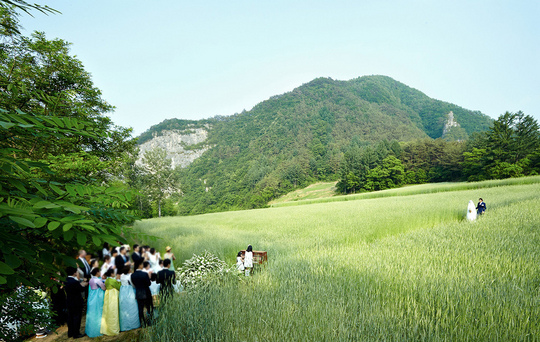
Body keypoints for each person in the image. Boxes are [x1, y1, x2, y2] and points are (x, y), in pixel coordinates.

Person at [64, 266, 88, 339]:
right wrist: (84, 285)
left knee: (70, 317)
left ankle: (70, 332)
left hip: (69, 301)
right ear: (74, 272)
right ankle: (76, 333)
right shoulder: (74, 282)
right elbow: (81, 289)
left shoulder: (66, 280)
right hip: (76, 301)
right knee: (77, 317)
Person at [131, 261, 153, 327]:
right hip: (146, 292)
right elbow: (149, 283)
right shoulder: (145, 274)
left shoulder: (132, 275)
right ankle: (149, 322)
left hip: (138, 293)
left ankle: (142, 323)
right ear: (140, 265)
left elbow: (133, 284)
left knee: (140, 309)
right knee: (149, 308)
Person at [85, 268, 105, 338]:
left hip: (91, 296)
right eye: (99, 271)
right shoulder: (98, 280)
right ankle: (98, 330)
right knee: (98, 312)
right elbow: (103, 288)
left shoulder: (91, 280)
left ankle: (90, 330)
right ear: (97, 272)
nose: (100, 273)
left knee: (92, 312)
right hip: (97, 297)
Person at [100, 269, 121, 336]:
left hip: (108, 297)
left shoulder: (107, 280)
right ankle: (114, 329)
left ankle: (107, 328)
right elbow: (119, 287)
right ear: (112, 274)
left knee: (108, 312)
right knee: (114, 312)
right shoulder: (113, 280)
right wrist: (119, 281)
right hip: (113, 297)